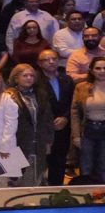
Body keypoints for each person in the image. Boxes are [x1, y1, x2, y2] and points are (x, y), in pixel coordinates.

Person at [7, 63, 53, 187]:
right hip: (15, 144)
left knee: (36, 180)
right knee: (13, 182)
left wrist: (49, 141)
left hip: (38, 143)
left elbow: (48, 119)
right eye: (25, 75)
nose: (29, 78)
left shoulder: (41, 94)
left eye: (32, 76)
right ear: (16, 78)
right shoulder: (8, 95)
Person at [36, 49, 75, 186]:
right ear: (39, 63)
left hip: (63, 127)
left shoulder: (67, 79)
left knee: (59, 161)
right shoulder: (35, 80)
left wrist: (65, 118)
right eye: (47, 60)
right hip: (42, 128)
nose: (51, 62)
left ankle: (56, 190)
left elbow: (73, 102)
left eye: (54, 59)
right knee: (40, 162)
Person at [72, 57, 105, 183]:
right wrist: (76, 136)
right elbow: (74, 113)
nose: (102, 71)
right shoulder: (81, 87)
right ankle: (86, 192)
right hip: (87, 129)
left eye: (104, 68)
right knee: (86, 165)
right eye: (98, 68)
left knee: (103, 165)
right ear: (91, 70)